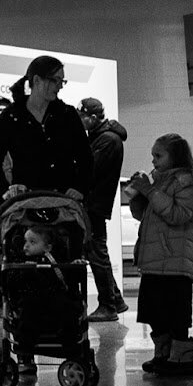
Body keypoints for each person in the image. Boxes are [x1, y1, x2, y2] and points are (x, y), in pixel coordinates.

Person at [124, 134, 193, 378]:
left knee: (175, 314)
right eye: (153, 155)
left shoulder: (190, 185)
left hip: (175, 261)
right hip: (154, 260)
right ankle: (163, 353)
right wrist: (138, 196)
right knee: (153, 311)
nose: (153, 160)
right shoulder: (159, 182)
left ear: (174, 156)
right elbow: (145, 214)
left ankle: (182, 358)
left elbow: (177, 215)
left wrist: (150, 190)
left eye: (158, 155)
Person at [0, 55, 92, 203]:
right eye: (55, 80)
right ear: (36, 80)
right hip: (26, 203)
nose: (59, 86)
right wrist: (4, 191)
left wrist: (80, 188)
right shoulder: (11, 116)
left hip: (63, 202)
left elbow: (86, 158)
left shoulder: (68, 114)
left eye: (62, 81)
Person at [77, 97, 129, 320]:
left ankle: (108, 305)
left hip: (94, 205)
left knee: (97, 253)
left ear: (93, 118)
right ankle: (115, 300)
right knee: (98, 252)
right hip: (94, 204)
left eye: (83, 117)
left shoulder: (107, 140)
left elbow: (90, 172)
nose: (80, 121)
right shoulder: (101, 137)